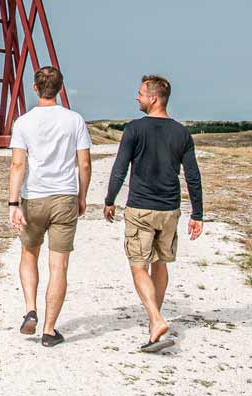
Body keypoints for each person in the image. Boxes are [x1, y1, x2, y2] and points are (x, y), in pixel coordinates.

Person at [103, 74, 203, 353]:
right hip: (169, 210)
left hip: (140, 209)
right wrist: (198, 214)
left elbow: (120, 167)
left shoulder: (134, 129)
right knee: (160, 264)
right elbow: (193, 176)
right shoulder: (181, 132)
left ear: (153, 98)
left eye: (140, 93)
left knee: (138, 265)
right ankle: (153, 327)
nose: (137, 97)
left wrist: (109, 199)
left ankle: (157, 319)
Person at [7, 66, 92, 347]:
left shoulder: (23, 122)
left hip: (34, 197)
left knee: (29, 254)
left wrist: (13, 203)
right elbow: (84, 163)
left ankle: (30, 308)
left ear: (35, 88)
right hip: (64, 196)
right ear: (60, 88)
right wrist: (82, 197)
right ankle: (49, 329)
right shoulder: (74, 120)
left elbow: (18, 164)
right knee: (59, 266)